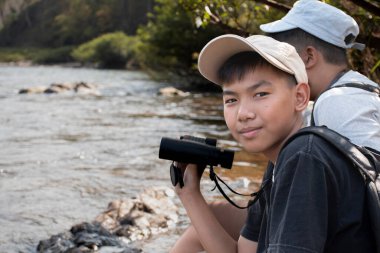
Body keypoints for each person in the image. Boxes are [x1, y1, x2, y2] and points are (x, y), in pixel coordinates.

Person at [170, 34, 375, 252]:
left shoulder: (304, 156)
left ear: (300, 98)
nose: (243, 113)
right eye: (231, 100)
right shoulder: (279, 163)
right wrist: (189, 193)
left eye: (260, 94)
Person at [260, 0, 380, 151]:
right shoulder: (360, 86)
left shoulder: (336, 101)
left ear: (309, 57)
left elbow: (370, 171)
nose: (278, 68)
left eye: (285, 56)